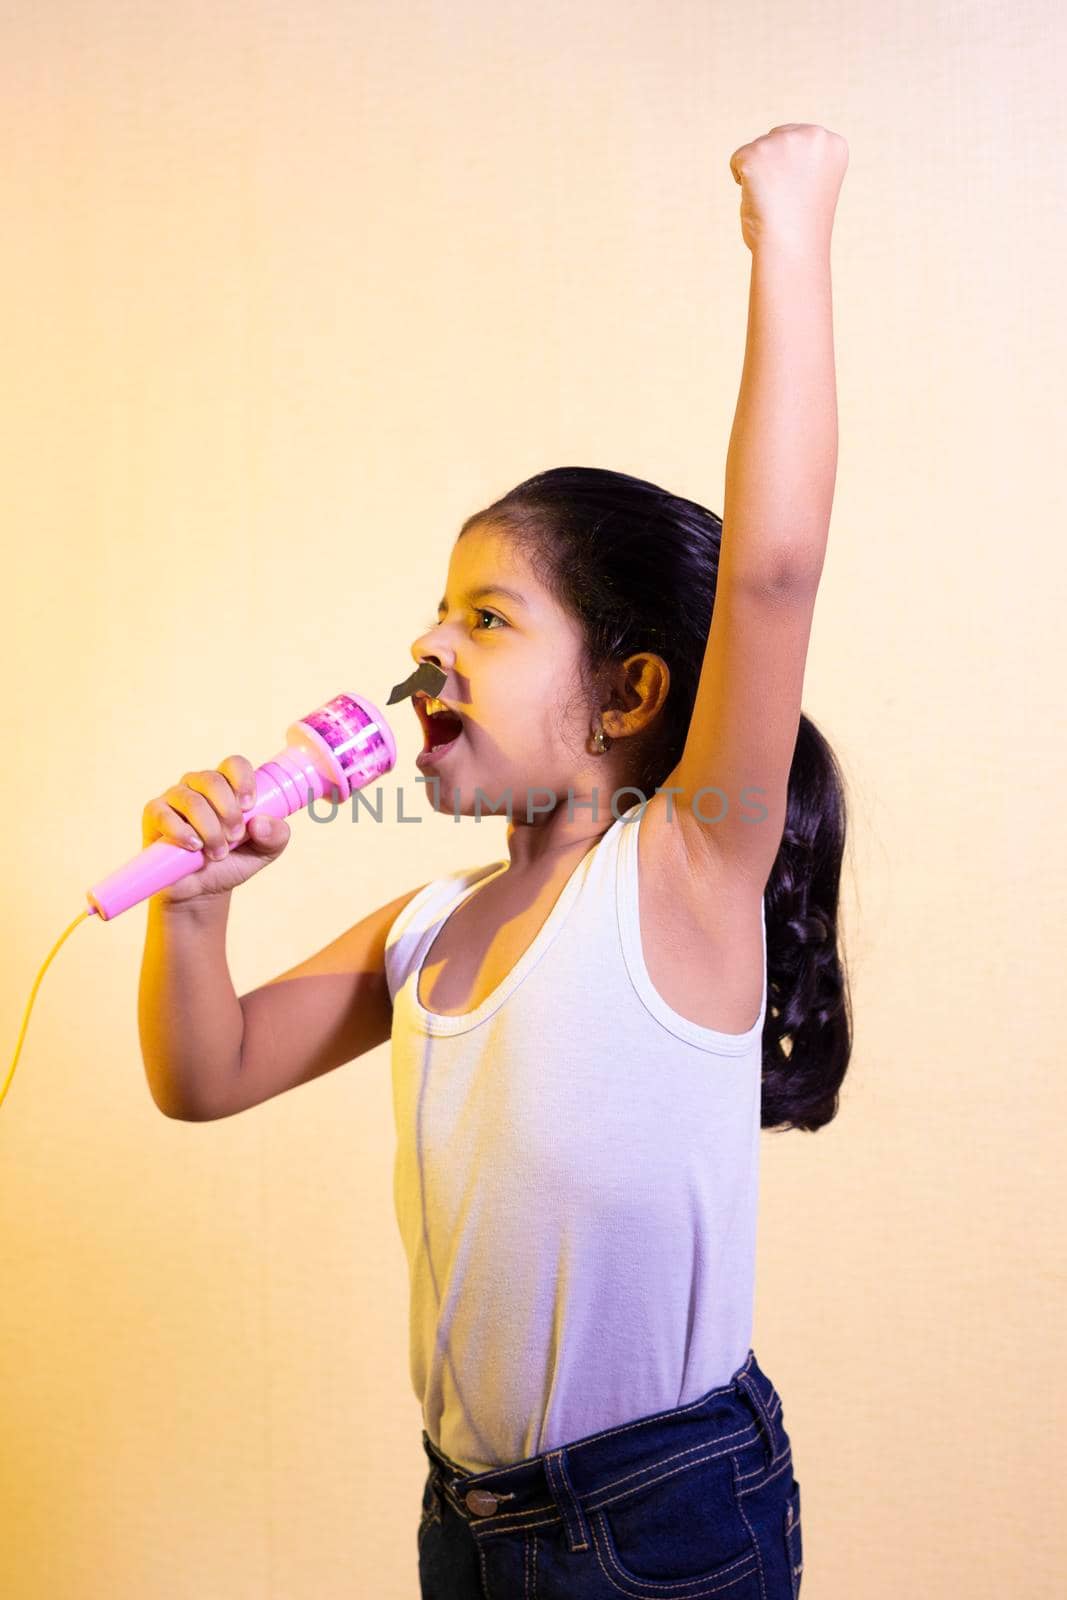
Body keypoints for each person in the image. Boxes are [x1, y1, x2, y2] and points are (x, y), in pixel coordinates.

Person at [138, 124, 850, 1598]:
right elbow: (205, 1077)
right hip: (466, 1517)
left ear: (632, 697)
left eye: (487, 618)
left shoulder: (681, 875)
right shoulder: (427, 928)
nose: (426, 646)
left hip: (664, 1521)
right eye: (434, 614)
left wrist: (792, 230)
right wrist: (197, 918)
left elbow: (774, 571)